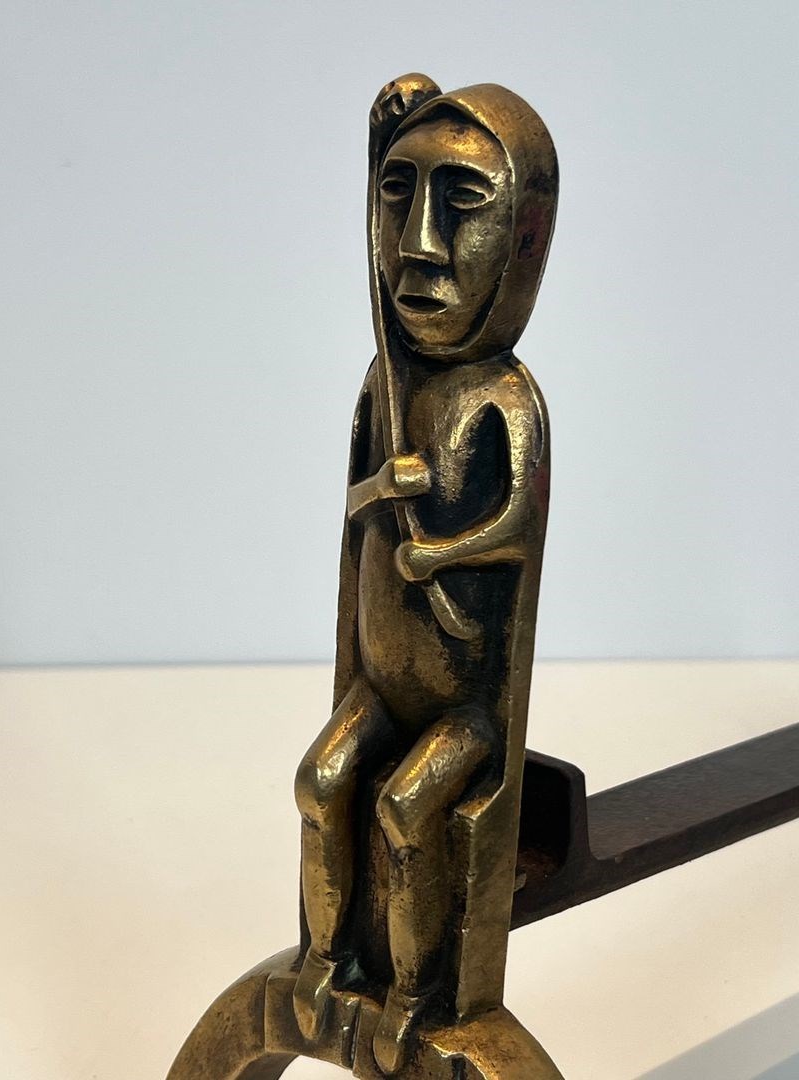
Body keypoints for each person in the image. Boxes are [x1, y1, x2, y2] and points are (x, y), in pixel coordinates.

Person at [292, 76, 558, 1075]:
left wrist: (440, 548)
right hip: (382, 685)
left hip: (459, 711)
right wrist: (381, 490)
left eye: (463, 204)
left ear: (523, 241)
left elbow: (515, 529)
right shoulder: (387, 383)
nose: (420, 246)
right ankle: (325, 966)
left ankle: (412, 998)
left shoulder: (503, 399)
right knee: (321, 781)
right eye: (398, 195)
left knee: (408, 811)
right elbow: (357, 503)